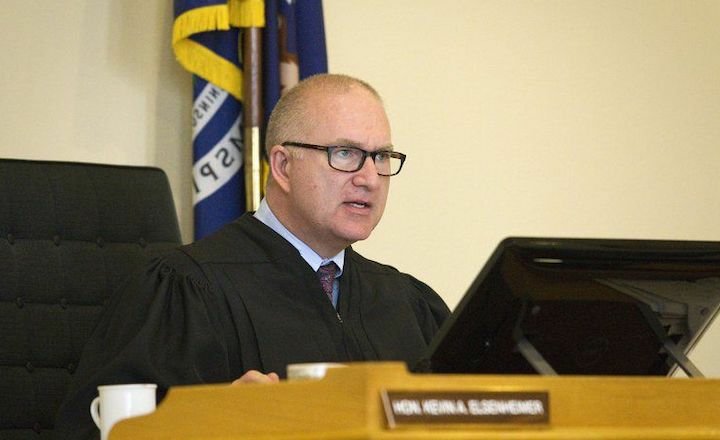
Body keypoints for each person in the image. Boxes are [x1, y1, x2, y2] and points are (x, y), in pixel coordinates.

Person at [53, 73, 450, 438]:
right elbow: (98, 432)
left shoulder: (409, 303)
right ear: (282, 166)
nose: (370, 178)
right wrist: (220, 420)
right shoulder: (187, 288)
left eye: (381, 157)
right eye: (345, 153)